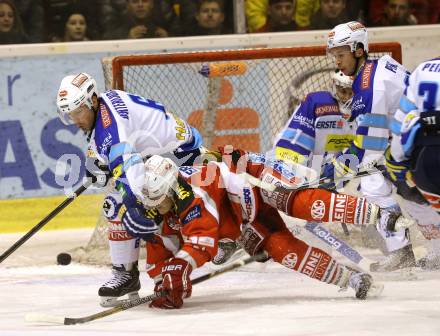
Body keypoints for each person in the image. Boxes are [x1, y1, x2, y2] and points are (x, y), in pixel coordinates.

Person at [129, 154, 401, 309]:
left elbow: (201, 244)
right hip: (243, 219)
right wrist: (166, 283)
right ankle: (350, 280)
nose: (156, 206)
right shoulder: (160, 207)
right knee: (282, 250)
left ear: (174, 189)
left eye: (161, 199)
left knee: (300, 202)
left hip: (254, 180)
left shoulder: (193, 195)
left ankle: (380, 215)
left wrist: (180, 267)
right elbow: (158, 261)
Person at [56, 72, 204, 306]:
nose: (75, 120)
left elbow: (127, 174)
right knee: (117, 200)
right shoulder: (103, 107)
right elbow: (107, 149)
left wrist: (133, 207)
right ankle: (125, 272)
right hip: (160, 154)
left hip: (184, 158)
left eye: (78, 112)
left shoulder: (111, 127)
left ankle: (215, 239)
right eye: (69, 114)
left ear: (93, 101)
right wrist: (97, 164)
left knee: (123, 202)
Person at [326, 21, 415, 272]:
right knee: (412, 189)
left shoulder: (368, 88)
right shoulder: (380, 66)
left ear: (358, 50)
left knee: (371, 180)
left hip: (423, 140)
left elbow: (369, 147)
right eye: (334, 55)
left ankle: (401, 252)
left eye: (341, 55)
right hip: (420, 136)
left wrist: (338, 170)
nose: (338, 62)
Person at [386, 57, 440, 269]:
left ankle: (437, 251)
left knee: (410, 195)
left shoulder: (423, 68)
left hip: (423, 159)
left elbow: (402, 119)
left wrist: (396, 159)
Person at [103, 0, 168, 40]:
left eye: (145, 1)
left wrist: (168, 38)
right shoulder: (116, 25)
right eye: (135, 1)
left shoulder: (164, 23)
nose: (140, 5)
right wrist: (127, 38)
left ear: (152, 4)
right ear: (128, 5)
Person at [246, 0, 319, 32]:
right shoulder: (260, 35)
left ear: (294, 10)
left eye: (288, 7)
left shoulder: (303, 33)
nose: (284, 12)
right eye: (278, 7)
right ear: (269, 10)